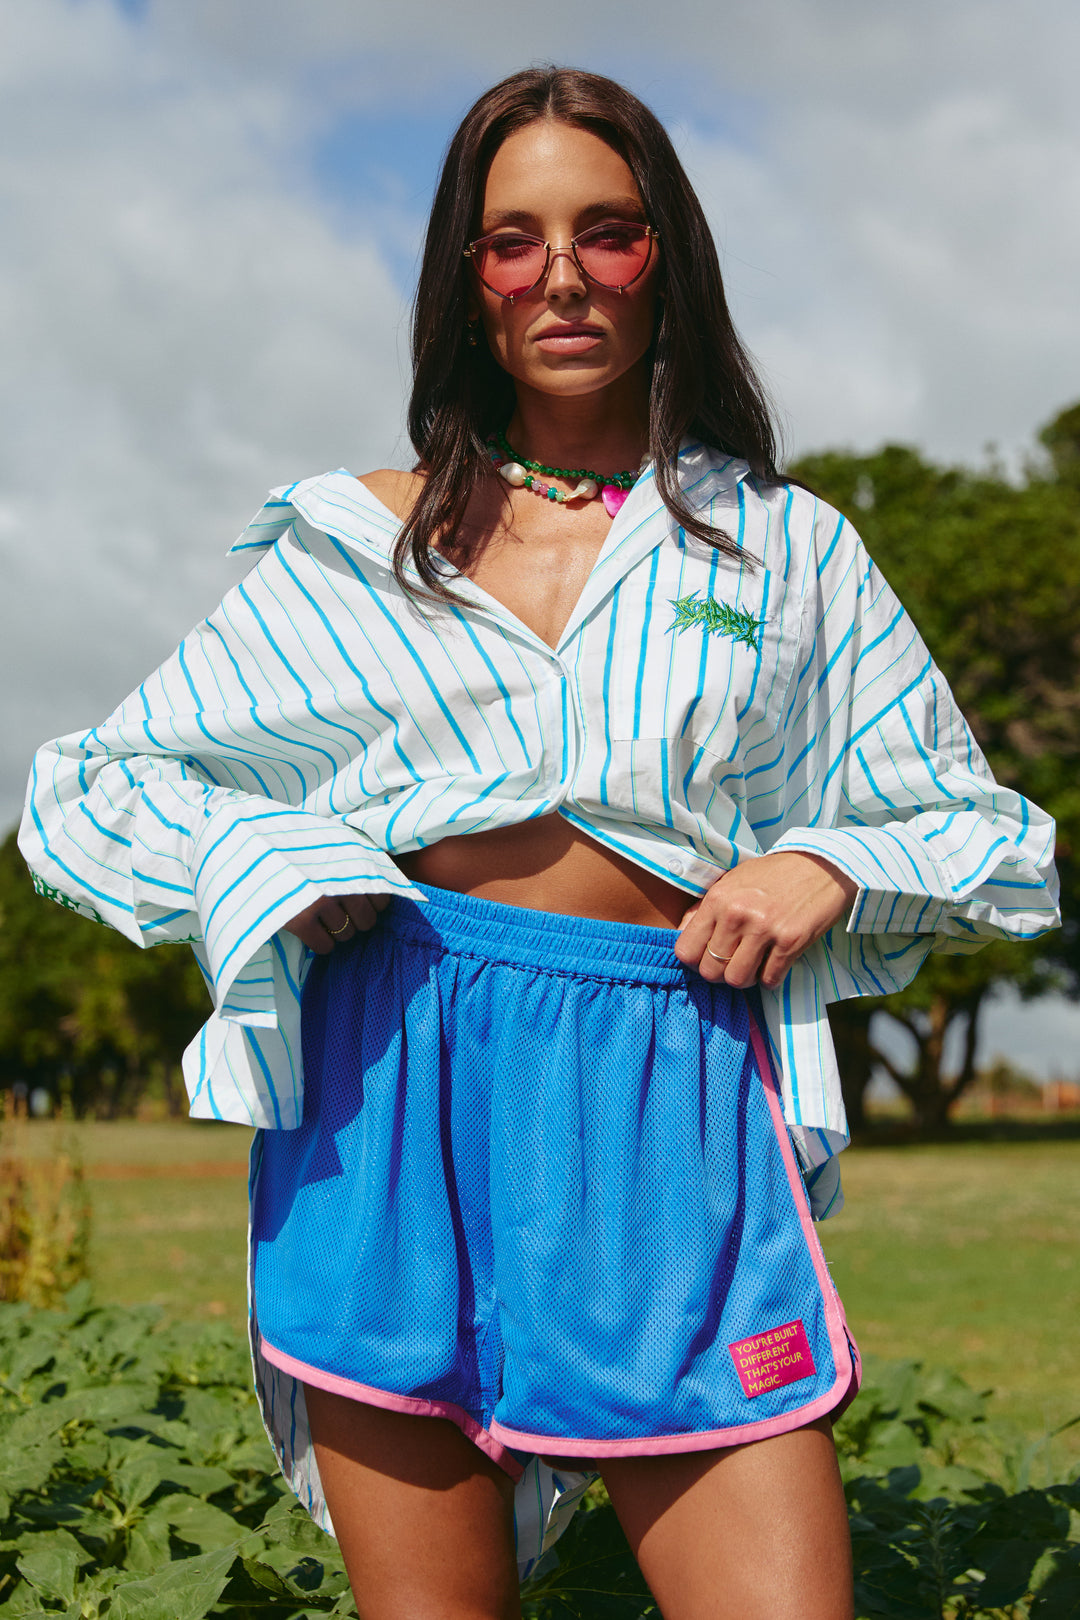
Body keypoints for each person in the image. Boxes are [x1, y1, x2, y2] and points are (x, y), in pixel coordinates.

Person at [20, 66, 1058, 1620]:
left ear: (670, 261)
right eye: (514, 240)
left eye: (609, 232)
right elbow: (87, 785)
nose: (562, 272)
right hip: (392, 1081)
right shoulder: (356, 547)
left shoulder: (786, 547)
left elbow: (989, 834)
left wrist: (823, 864)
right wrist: (269, 865)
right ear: (470, 279)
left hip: (666, 1088)